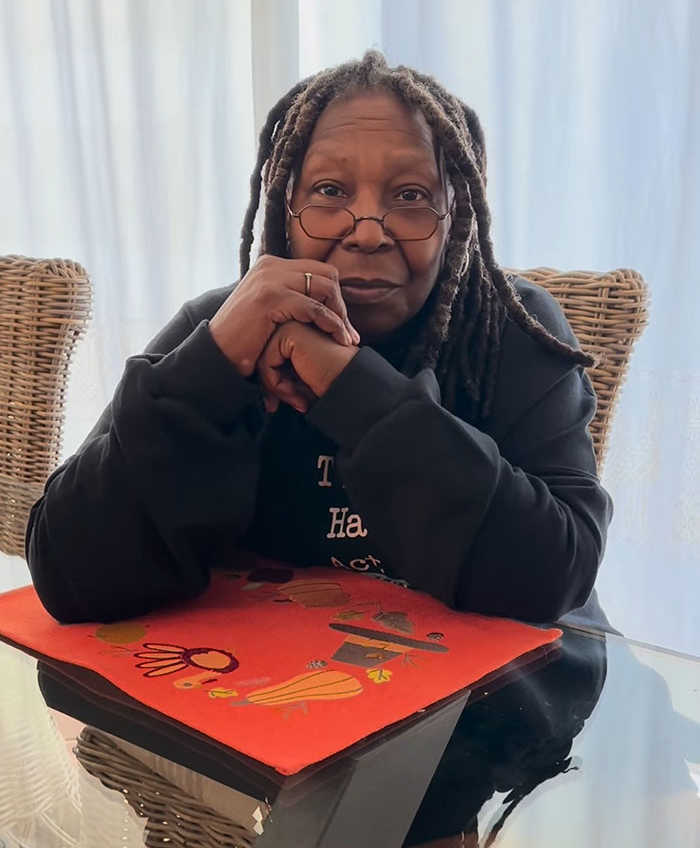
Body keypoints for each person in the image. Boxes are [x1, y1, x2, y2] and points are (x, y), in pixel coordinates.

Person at [26, 51, 612, 626]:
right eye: (330, 191)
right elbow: (68, 573)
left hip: (489, 712)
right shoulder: (223, 329)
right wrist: (206, 373)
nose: (366, 232)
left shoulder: (508, 332)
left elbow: (555, 574)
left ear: (453, 215)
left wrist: (351, 386)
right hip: (255, 697)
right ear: (288, 203)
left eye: (410, 196)